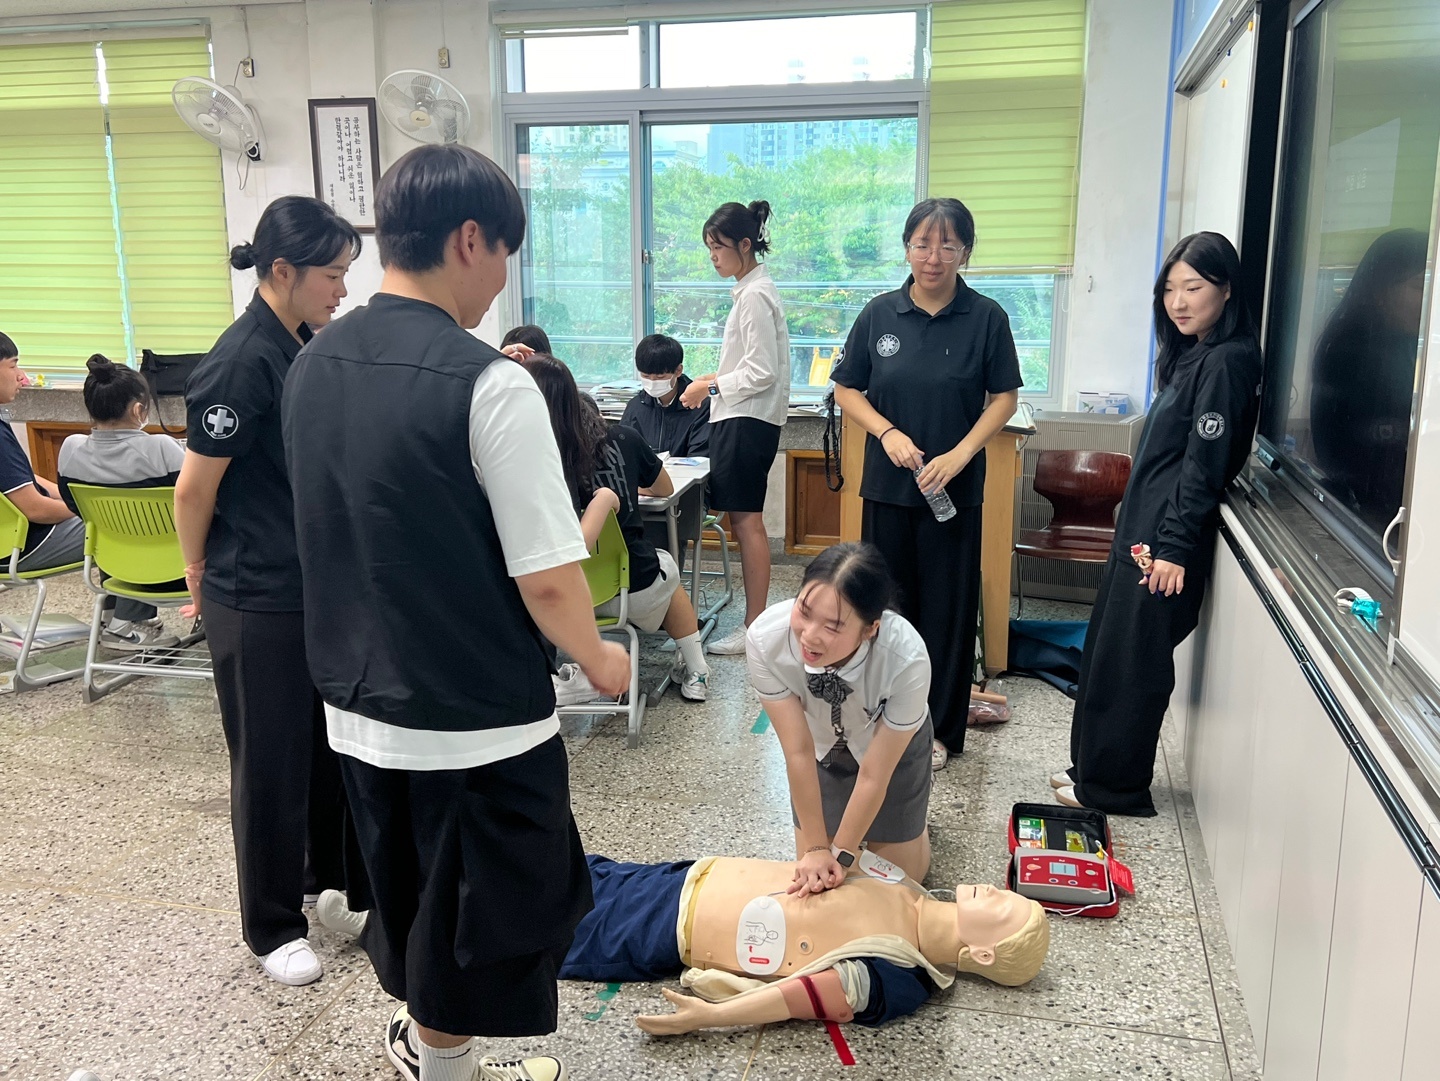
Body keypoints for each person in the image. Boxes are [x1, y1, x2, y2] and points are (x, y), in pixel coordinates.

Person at [283, 144, 632, 1081]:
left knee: (416, 908)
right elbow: (551, 578)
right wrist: (600, 657)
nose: (501, 280)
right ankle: (445, 1065)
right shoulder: (491, 381)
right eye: (506, 252)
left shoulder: (311, 367)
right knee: (494, 917)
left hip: (356, 703)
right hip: (475, 714)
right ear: (470, 239)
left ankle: (436, 1052)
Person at [175, 195, 364, 986]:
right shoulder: (238, 361)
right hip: (252, 592)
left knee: (324, 750)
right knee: (269, 759)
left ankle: (323, 883)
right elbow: (193, 490)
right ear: (280, 270)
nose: (342, 290)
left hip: (306, 586)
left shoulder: (299, 341)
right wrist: (196, 572)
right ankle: (270, 924)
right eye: (332, 274)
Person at [1057, 232, 1262, 817]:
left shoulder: (1226, 361)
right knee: (1106, 655)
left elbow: (1204, 466)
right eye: (1170, 288)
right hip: (1142, 533)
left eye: (1193, 287)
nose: (1178, 300)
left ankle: (1114, 789)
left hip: (1165, 544)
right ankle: (1090, 769)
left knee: (1134, 667)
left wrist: (1173, 546)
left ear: (1225, 290)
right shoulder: (1193, 354)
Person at [831, 198, 1023, 772]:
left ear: (966, 251)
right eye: (922, 243)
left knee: (947, 610)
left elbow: (1004, 398)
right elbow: (847, 389)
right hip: (888, 490)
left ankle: (936, 730)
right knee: (884, 608)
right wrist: (885, 432)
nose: (933, 257)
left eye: (947, 245)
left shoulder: (986, 317)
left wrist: (962, 454)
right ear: (907, 247)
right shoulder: (879, 313)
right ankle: (875, 721)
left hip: (954, 495)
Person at [560, 854, 1048, 1035]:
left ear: (983, 953)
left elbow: (804, 997)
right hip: (687, 875)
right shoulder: (911, 888)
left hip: (664, 928)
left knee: (528, 922)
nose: (998, 891)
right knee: (556, 865)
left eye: (1004, 908)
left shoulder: (901, 975)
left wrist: (708, 1018)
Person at [746, 543, 935, 894]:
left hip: (889, 751)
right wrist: (818, 850)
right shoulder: (764, 640)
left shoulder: (906, 657)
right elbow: (798, 751)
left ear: (870, 629)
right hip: (821, 749)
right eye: (804, 610)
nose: (810, 635)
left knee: (901, 884)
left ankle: (917, 822)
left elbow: (875, 774)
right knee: (816, 878)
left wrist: (843, 855)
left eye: (832, 627)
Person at [522, 352, 711, 703]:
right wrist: (610, 497)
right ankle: (697, 669)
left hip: (554, 601)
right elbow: (665, 489)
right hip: (630, 588)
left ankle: (572, 669)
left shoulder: (530, 460)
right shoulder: (623, 439)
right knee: (666, 568)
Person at [679, 200, 790, 656]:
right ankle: (754, 625)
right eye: (709, 248)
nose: (713, 257)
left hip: (747, 419)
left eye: (718, 247)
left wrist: (709, 387)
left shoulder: (756, 296)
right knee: (745, 522)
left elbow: (761, 371)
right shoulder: (750, 291)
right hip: (743, 416)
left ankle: (754, 628)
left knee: (748, 524)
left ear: (745, 245)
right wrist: (712, 382)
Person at [55, 353, 183, 650]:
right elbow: (200, 501)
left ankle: (114, 616)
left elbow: (76, 507)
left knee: (119, 532)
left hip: (116, 569)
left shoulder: (71, 449)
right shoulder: (162, 449)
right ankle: (126, 625)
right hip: (177, 573)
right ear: (139, 410)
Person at [1308, 228, 1428, 534]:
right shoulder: (1356, 348)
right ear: (1381, 289)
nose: (1429, 299)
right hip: (1371, 520)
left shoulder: (1402, 342)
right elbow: (1372, 448)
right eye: (1419, 286)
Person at [0, 334, 86, 578]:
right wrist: (86, 508)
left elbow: (25, 482)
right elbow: (36, 510)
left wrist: (71, 494)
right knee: (119, 526)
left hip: (10, 542)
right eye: (13, 365)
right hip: (24, 546)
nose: (21, 376)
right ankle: (126, 616)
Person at [621, 333, 711, 459]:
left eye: (660, 377)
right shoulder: (635, 407)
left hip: (687, 476)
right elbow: (624, 453)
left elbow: (700, 458)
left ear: (678, 370)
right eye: (646, 376)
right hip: (647, 478)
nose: (652, 382)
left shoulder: (700, 405)